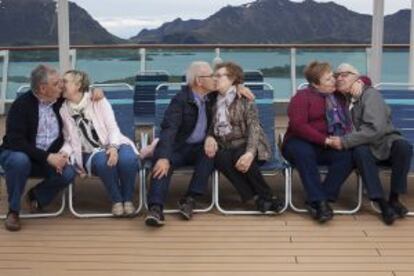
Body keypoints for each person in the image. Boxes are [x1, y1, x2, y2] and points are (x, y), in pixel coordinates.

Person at [145, 61, 254, 227]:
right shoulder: (180, 100)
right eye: (211, 76)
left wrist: (240, 87)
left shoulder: (213, 97)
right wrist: (164, 157)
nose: (215, 79)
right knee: (161, 165)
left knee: (210, 154)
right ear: (199, 81)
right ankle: (155, 208)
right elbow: (169, 130)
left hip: (200, 147)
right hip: (178, 147)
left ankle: (190, 199)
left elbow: (230, 89)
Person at [330, 63, 413, 225]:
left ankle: (394, 198)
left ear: (355, 77)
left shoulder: (370, 95)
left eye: (345, 74)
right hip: (364, 147)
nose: (339, 78)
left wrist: (344, 141)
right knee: (360, 152)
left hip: (385, 143)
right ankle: (381, 202)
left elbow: (375, 129)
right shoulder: (340, 97)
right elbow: (321, 85)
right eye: (336, 75)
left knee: (403, 147)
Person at [0, 64, 77, 231]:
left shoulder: (60, 101)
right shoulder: (21, 105)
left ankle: (36, 195)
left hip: (46, 158)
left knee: (68, 173)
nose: (61, 86)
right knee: (19, 160)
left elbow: (81, 93)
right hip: (19, 155)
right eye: (57, 83)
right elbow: (16, 142)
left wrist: (96, 93)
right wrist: (48, 157)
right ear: (43, 88)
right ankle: (13, 211)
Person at [204, 62, 283, 212]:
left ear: (232, 79)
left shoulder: (245, 99)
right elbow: (207, 125)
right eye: (214, 75)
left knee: (239, 155)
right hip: (225, 146)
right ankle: (258, 198)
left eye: (220, 76)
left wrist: (250, 153)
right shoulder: (210, 100)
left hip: (249, 144)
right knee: (219, 157)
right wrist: (210, 137)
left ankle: (267, 196)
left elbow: (254, 128)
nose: (215, 78)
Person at [59, 70, 140, 217]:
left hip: (115, 141)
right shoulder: (63, 110)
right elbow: (68, 139)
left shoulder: (98, 100)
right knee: (104, 161)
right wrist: (64, 153)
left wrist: (114, 147)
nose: (61, 84)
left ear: (78, 85)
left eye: (65, 81)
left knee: (128, 160)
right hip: (89, 151)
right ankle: (117, 201)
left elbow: (112, 127)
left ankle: (127, 200)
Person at [282, 61, 354, 223]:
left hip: (325, 146)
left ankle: (320, 198)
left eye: (332, 77)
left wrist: (340, 140)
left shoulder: (338, 96)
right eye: (328, 80)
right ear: (315, 84)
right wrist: (326, 140)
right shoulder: (301, 97)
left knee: (348, 154)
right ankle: (320, 202)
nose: (333, 81)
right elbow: (298, 126)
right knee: (304, 151)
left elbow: (363, 81)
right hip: (297, 142)